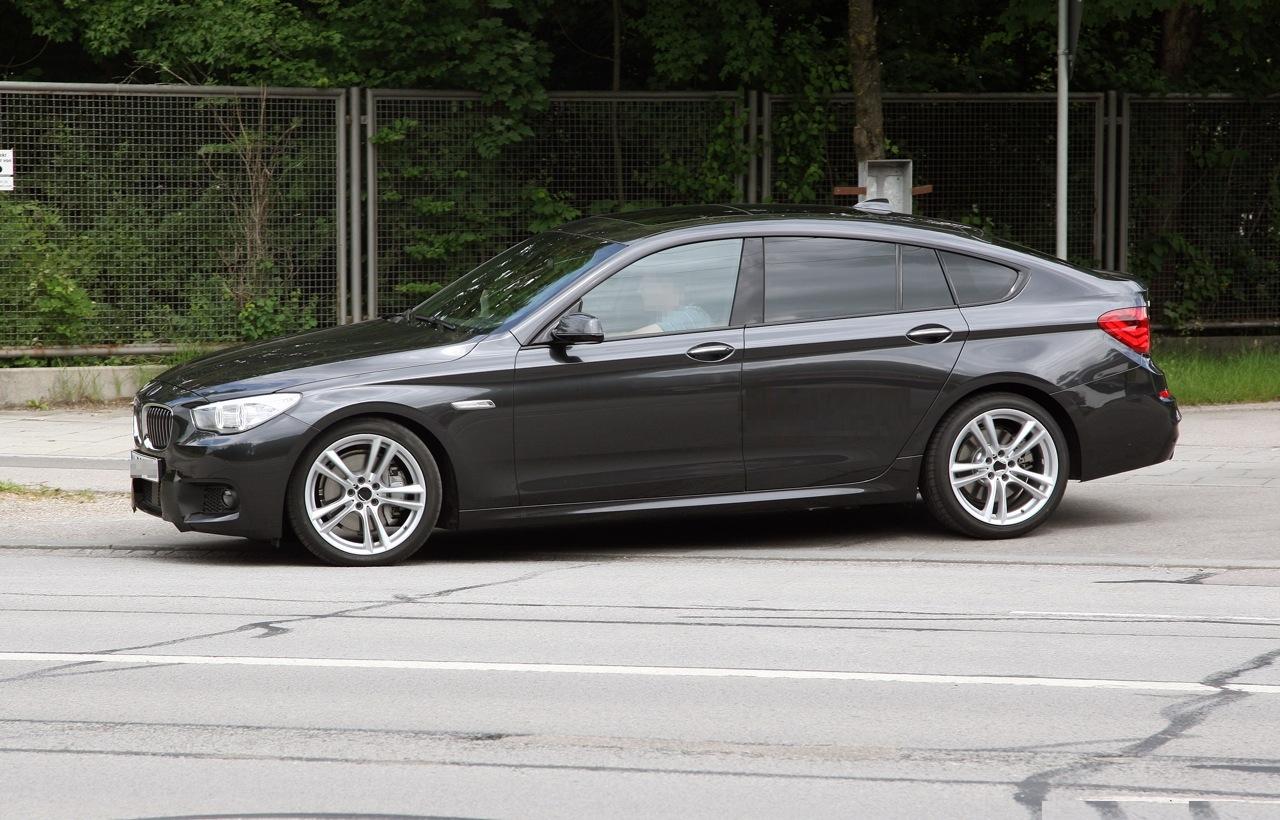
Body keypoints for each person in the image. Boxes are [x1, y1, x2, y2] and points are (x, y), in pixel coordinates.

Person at [630, 276, 713, 335]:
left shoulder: (693, 315)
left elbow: (635, 336)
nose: (639, 291)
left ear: (667, 287)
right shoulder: (659, 317)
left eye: (646, 284)